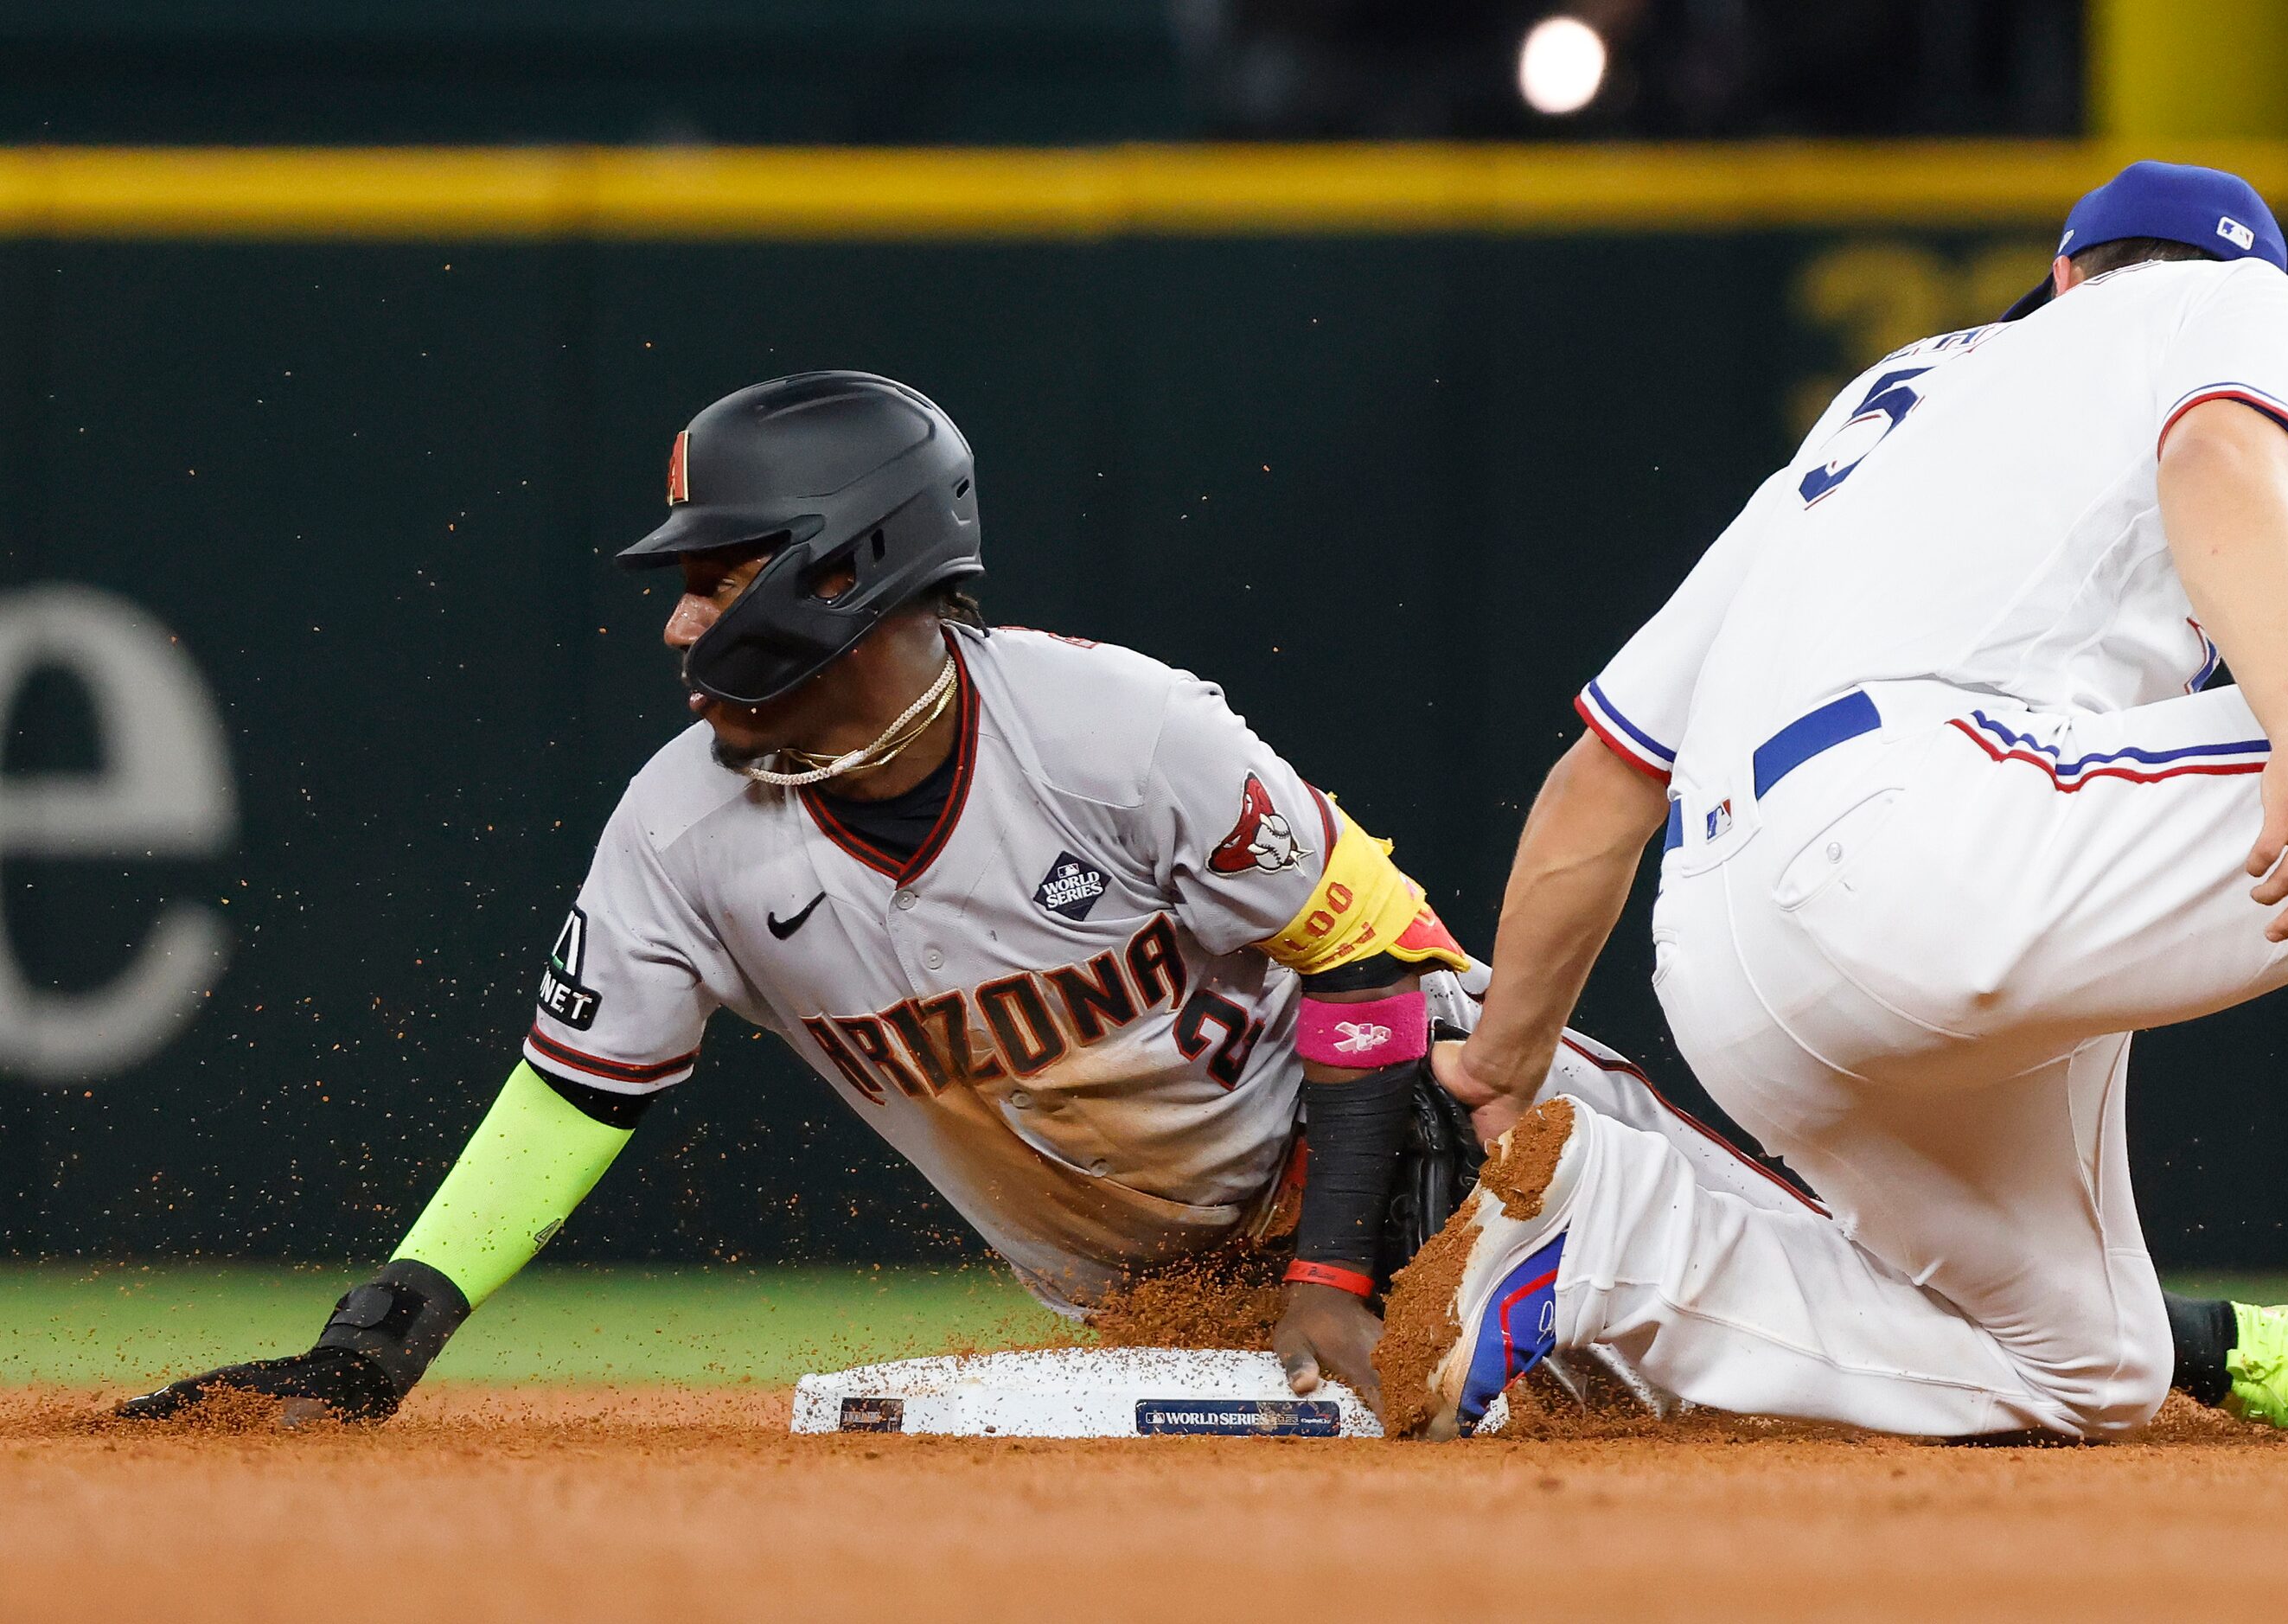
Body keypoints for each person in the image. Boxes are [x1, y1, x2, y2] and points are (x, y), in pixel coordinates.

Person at [118, 371, 1809, 1426]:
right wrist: (376, 1337)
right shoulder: (677, 833)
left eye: (713, 583)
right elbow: (574, 1097)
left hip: (1454, 1157)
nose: (677, 627)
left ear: (843, 571)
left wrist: (1347, 1270)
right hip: (1157, 1290)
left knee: (1864, 1356)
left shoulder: (1115, 727)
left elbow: (1378, 969)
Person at [1386, 162, 2288, 1442]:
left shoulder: (1855, 443)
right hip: (1930, 829)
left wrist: (1498, 1060)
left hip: (1729, 968)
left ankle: (1614, 1241)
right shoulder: (2237, 305)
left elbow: (1601, 782)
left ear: (2061, 273)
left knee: (2086, 1368)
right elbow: (2220, 447)